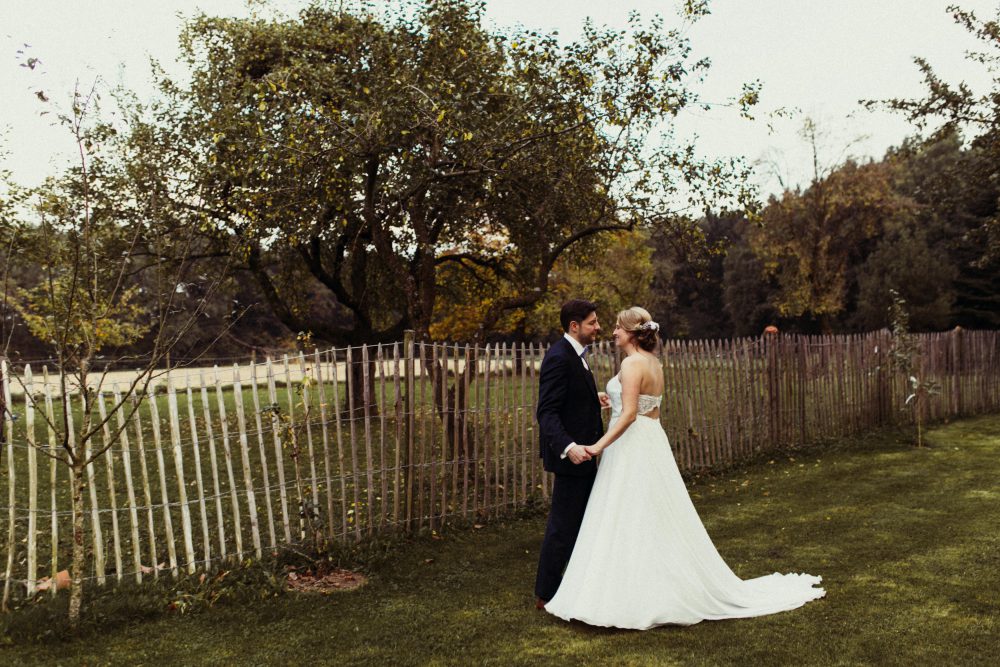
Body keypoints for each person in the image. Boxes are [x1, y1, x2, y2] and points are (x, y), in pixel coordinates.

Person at [544, 306, 825, 629]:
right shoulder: (652, 362)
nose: (613, 332)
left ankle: (632, 594)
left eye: (619, 328)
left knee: (628, 512)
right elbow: (640, 406)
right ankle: (642, 584)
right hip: (649, 441)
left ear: (632, 333)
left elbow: (630, 413)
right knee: (647, 513)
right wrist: (604, 399)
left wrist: (598, 445)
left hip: (632, 443)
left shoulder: (633, 363)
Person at [533, 299, 609, 610]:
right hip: (573, 457)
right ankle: (546, 594)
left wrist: (595, 399)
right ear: (574, 326)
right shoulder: (559, 357)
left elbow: (569, 399)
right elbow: (547, 412)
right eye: (592, 322)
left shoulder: (577, 355)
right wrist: (568, 447)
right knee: (563, 527)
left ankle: (575, 585)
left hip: (586, 454)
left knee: (579, 523)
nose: (598, 327)